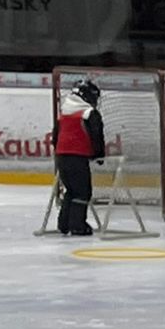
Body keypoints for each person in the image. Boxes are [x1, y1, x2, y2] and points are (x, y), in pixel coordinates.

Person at [49, 78, 105, 238]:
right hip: (78, 157)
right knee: (82, 191)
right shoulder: (89, 113)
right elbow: (97, 136)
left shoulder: (64, 114)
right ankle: (77, 225)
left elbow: (55, 137)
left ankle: (64, 223)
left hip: (61, 157)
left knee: (71, 190)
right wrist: (99, 155)